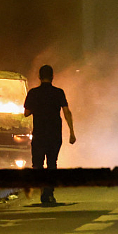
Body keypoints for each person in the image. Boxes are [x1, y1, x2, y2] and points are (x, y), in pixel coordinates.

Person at [23, 65, 76, 204]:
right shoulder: (59, 92)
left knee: (38, 164)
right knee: (52, 163)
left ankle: (43, 190)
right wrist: (71, 132)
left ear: (39, 77)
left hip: (39, 134)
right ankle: (48, 193)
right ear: (52, 77)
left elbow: (26, 113)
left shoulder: (33, 93)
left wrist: (37, 107)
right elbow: (66, 112)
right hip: (54, 135)